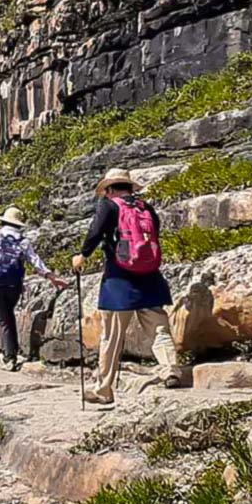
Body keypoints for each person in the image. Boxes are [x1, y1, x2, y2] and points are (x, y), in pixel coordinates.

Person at [71, 169, 180, 404]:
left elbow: (96, 231)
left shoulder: (109, 206)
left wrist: (82, 255)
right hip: (150, 277)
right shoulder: (145, 208)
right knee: (159, 329)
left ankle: (104, 389)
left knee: (111, 336)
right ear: (130, 187)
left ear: (110, 189)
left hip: (119, 279)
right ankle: (170, 369)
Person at [0, 207, 69, 372]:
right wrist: (51, 277)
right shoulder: (23, 242)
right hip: (15, 286)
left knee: (2, 320)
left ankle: (9, 357)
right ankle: (12, 350)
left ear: (3, 221)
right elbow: (35, 261)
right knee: (9, 316)